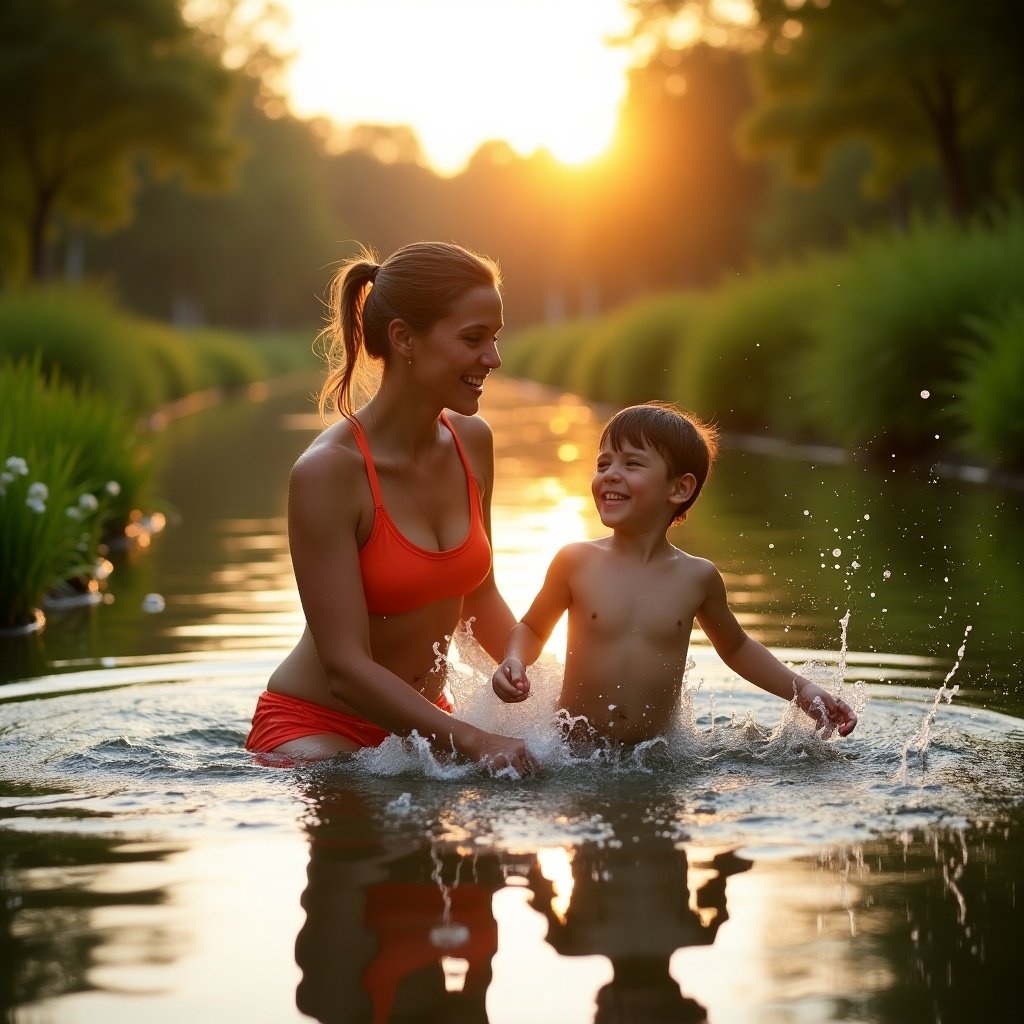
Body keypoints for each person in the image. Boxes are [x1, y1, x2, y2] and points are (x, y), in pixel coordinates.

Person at [245, 240, 530, 773]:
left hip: (423, 725)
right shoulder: (328, 472)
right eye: (473, 339)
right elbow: (345, 668)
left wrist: (547, 691)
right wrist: (472, 740)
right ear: (404, 338)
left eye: (494, 338)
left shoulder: (474, 441)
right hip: (317, 731)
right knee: (362, 807)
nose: (493, 358)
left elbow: (481, 597)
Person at [491, 401, 858, 745]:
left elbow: (737, 648)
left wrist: (805, 692)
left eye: (631, 464)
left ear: (679, 488)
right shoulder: (575, 561)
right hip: (573, 752)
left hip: (657, 756)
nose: (611, 476)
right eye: (603, 465)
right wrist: (514, 659)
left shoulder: (696, 577)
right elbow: (533, 628)